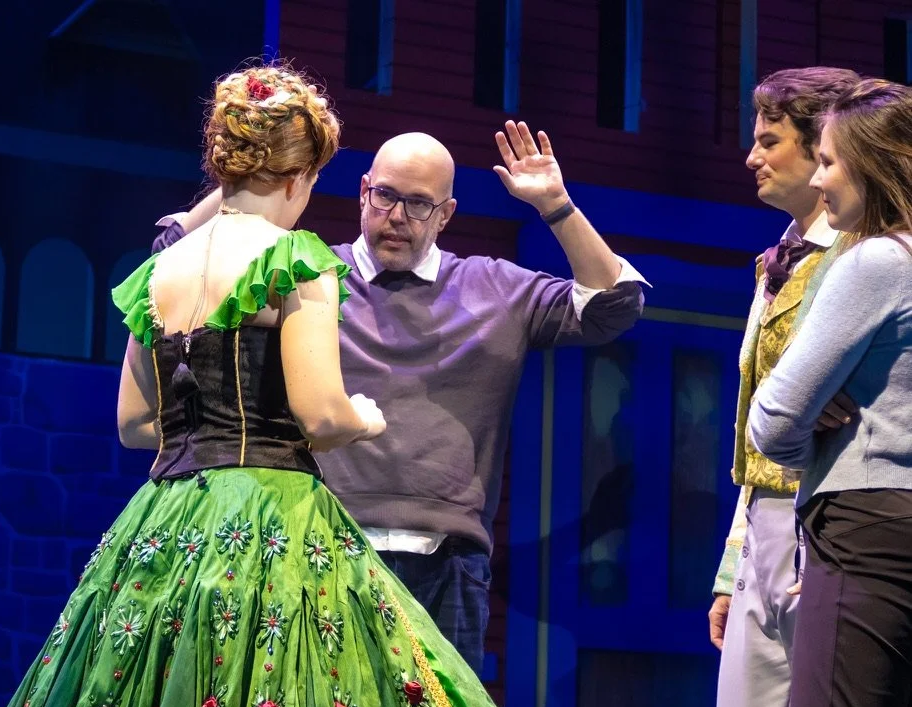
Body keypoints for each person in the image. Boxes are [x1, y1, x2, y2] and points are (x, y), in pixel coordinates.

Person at [0, 64, 505, 707]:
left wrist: (203, 428)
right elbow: (320, 414)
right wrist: (365, 419)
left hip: (168, 520)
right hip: (272, 516)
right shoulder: (293, 260)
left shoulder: (156, 271)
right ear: (299, 177)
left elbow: (133, 422)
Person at [157, 122, 647, 671]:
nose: (396, 217)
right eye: (386, 196)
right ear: (364, 190)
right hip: (319, 548)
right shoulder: (309, 275)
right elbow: (173, 250)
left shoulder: (496, 289)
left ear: (447, 214)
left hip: (447, 568)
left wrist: (556, 205)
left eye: (419, 204)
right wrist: (249, 171)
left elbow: (614, 306)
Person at [748, 78, 912, 707]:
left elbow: (773, 419)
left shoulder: (876, 262)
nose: (818, 182)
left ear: (874, 163)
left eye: (827, 161)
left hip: (862, 533)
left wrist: (809, 431)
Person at [706, 67, 860, 707]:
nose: (752, 157)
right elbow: (758, 427)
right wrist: (732, 564)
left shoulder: (868, 256)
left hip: (829, 518)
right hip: (767, 523)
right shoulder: (778, 262)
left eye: (771, 141)